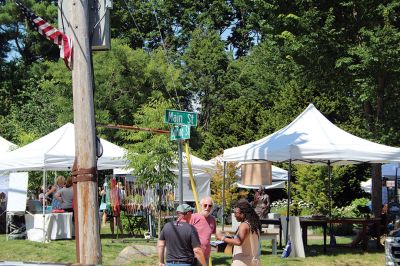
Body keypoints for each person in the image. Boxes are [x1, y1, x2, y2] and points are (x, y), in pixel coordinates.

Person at [216, 199, 261, 266]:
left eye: (236, 213)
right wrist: (231, 238)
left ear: (243, 214)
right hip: (254, 261)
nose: (234, 215)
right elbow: (245, 240)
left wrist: (222, 238)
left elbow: (238, 242)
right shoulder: (254, 225)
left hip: (242, 262)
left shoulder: (244, 225)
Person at [193, 197, 216, 265]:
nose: (207, 207)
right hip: (193, 255)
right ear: (200, 206)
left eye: (210, 206)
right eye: (205, 205)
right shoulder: (193, 217)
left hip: (206, 255)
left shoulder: (212, 219)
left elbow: (213, 233)